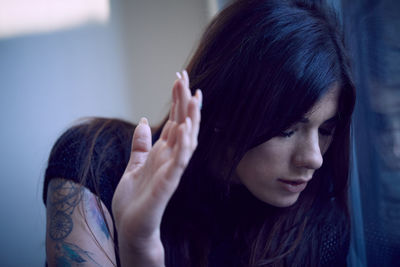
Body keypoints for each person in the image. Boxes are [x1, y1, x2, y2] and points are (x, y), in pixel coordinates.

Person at [42, 0, 356, 266]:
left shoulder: (318, 232)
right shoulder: (97, 159)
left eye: (326, 129)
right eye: (287, 129)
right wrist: (138, 240)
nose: (314, 158)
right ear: (223, 110)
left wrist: (139, 247)